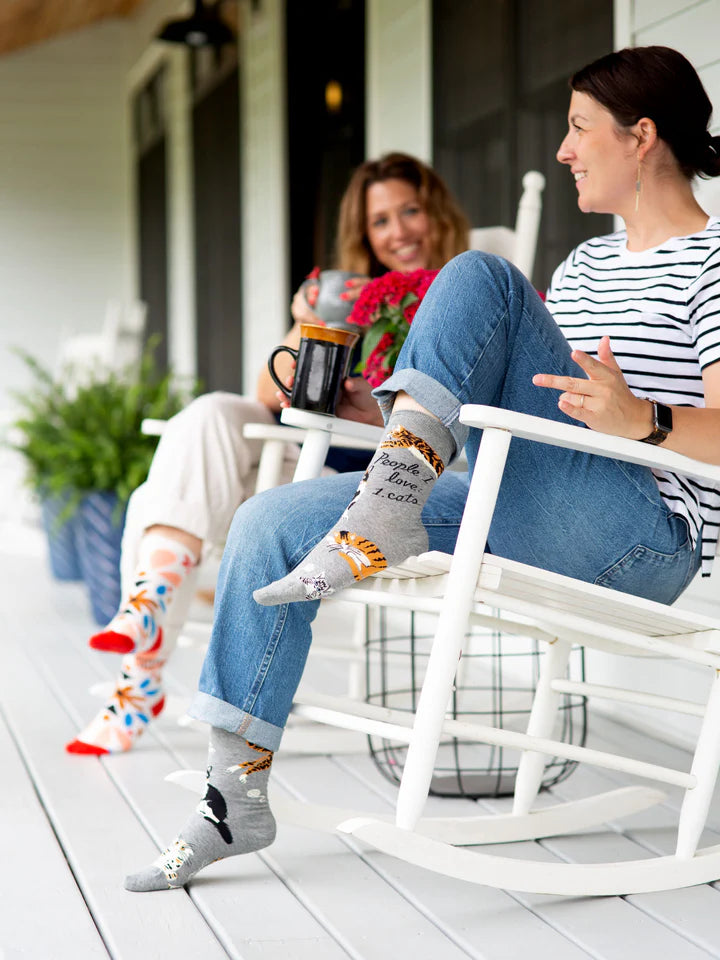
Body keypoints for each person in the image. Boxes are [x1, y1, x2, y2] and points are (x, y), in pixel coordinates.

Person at [124, 44, 720, 893]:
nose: (563, 150)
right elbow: (522, 420)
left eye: (579, 128)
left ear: (642, 136)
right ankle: (234, 796)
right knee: (269, 522)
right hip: (525, 502)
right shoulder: (584, 268)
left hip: (644, 537)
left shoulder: (712, 260)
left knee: (480, 274)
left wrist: (646, 421)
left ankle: (384, 508)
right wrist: (378, 414)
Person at [66, 152, 470, 755]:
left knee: (161, 491)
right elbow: (266, 393)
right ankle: (147, 611)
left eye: (409, 211)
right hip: (297, 460)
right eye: (380, 221)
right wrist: (306, 322)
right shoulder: (357, 300)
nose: (398, 232)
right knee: (207, 414)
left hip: (369, 489)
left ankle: (138, 680)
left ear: (435, 211)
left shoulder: (468, 301)